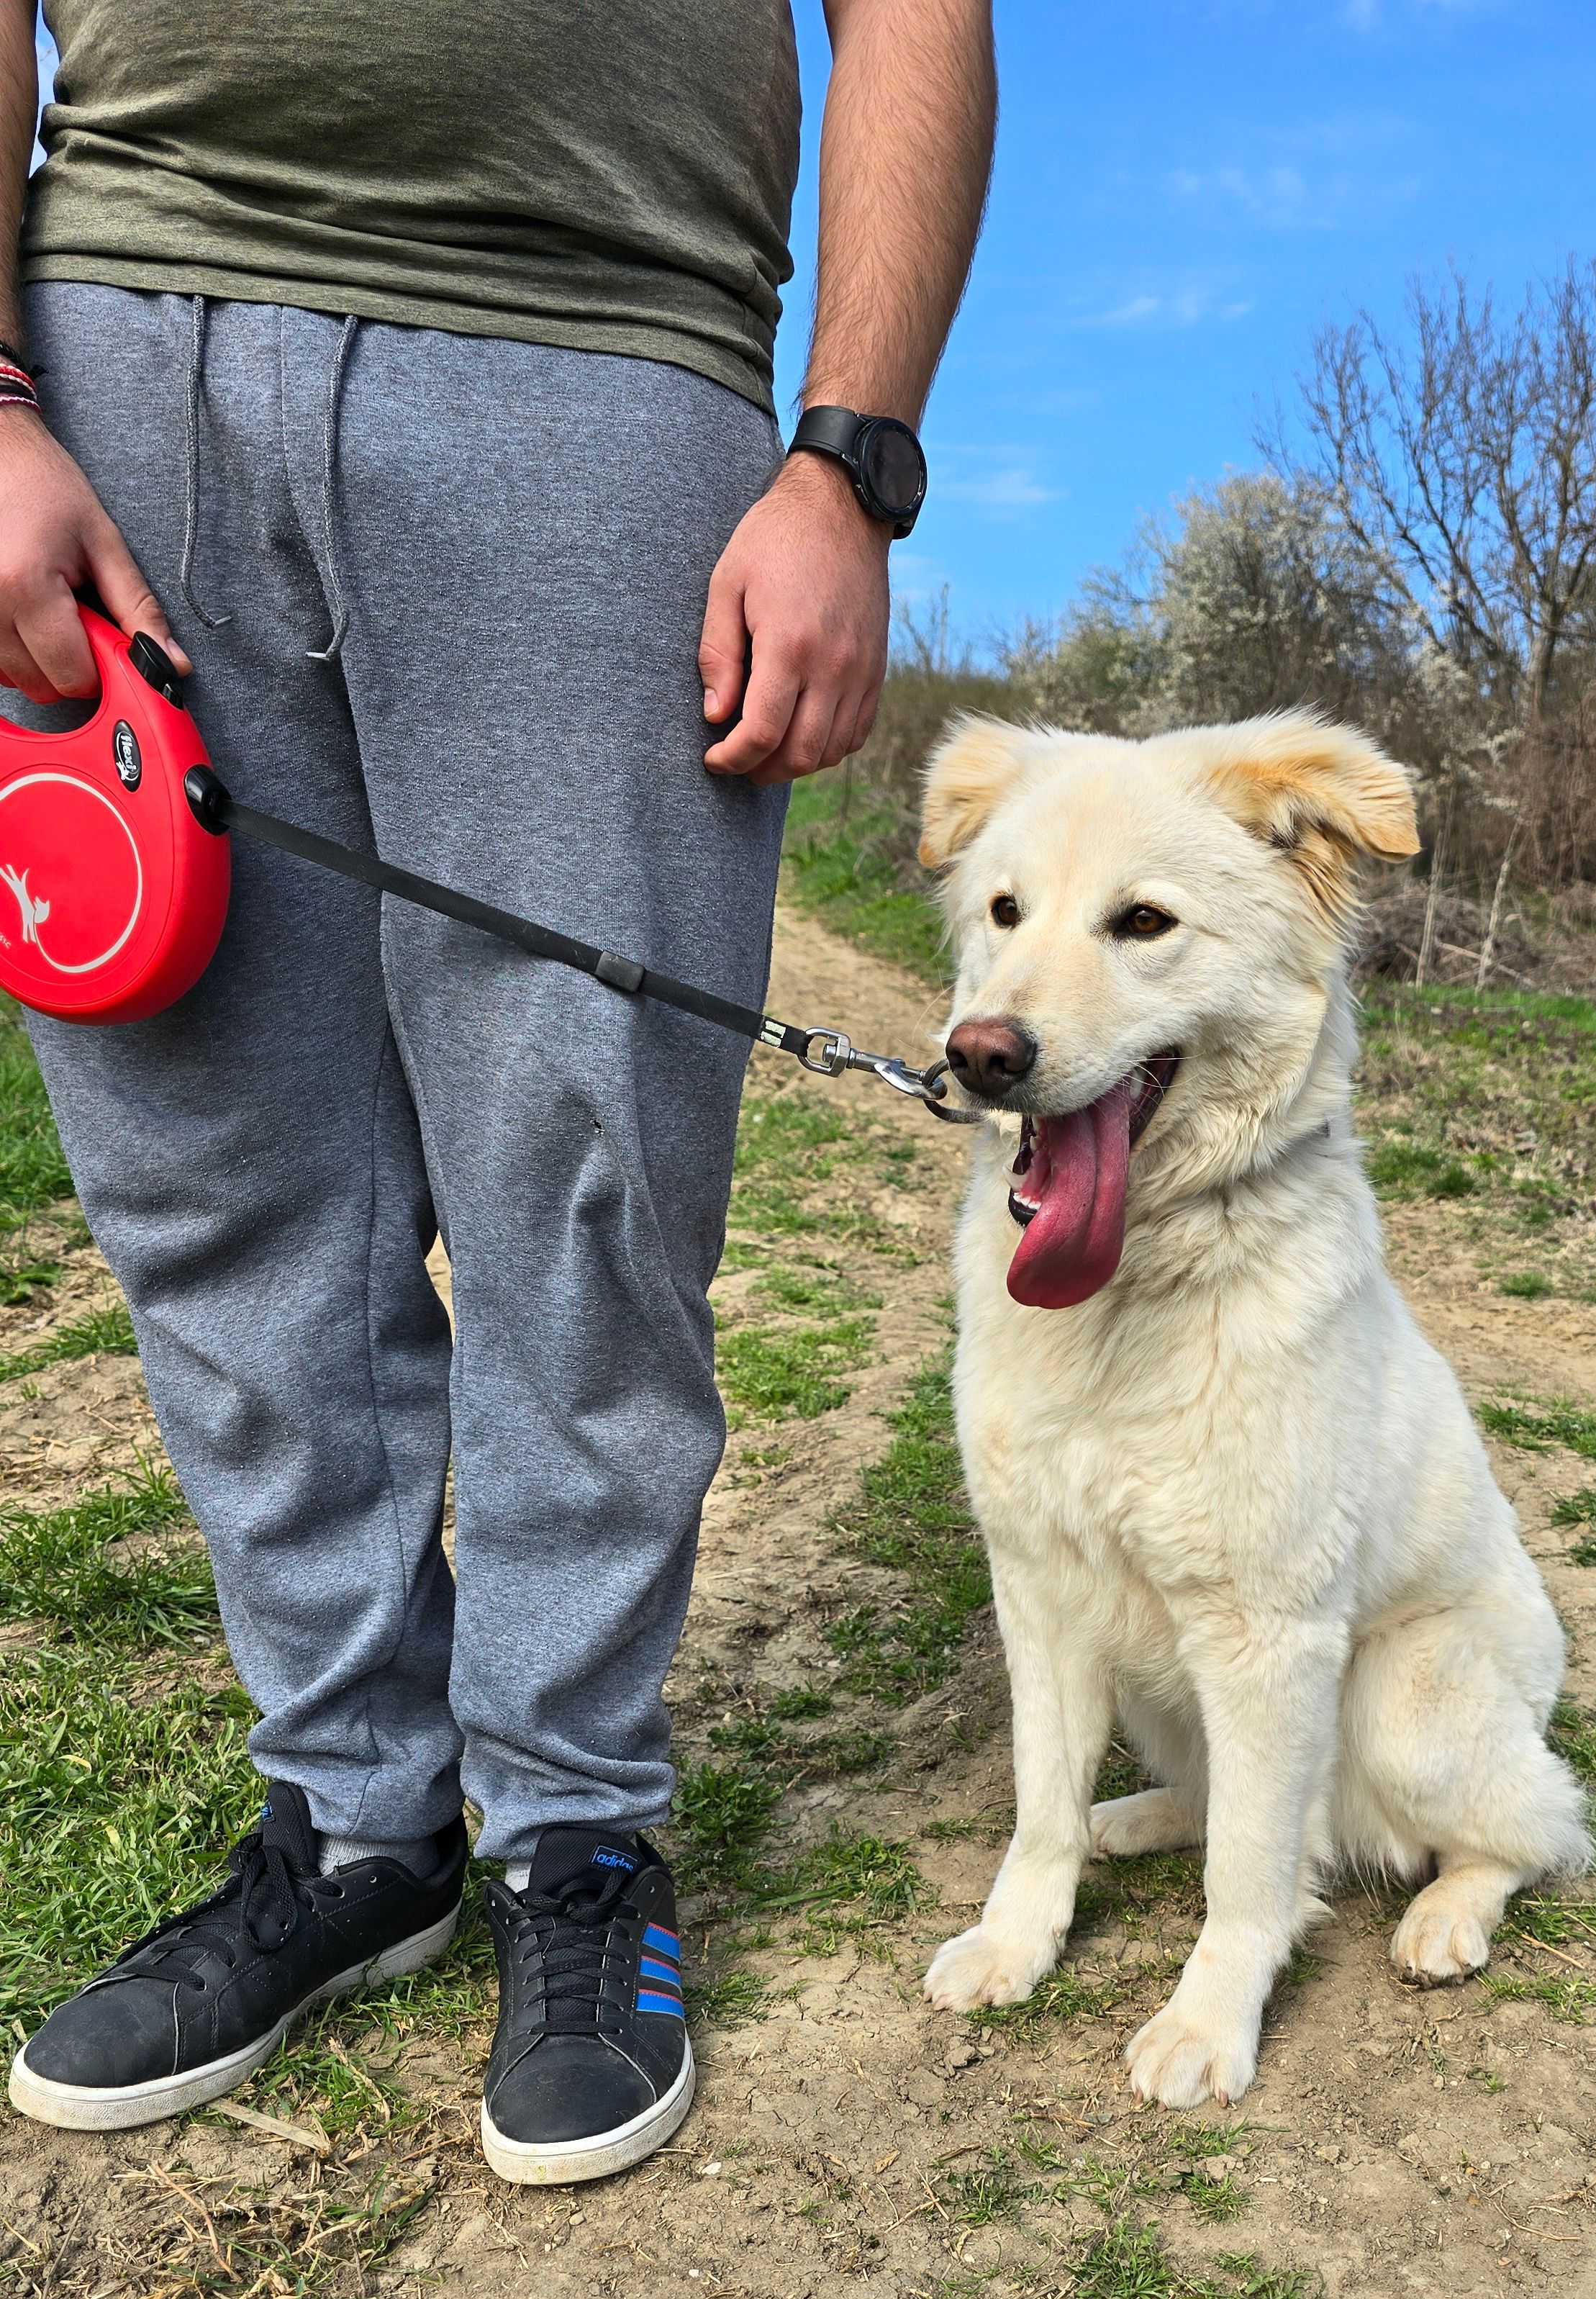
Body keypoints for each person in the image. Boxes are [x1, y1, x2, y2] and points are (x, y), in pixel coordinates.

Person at [0, 0, 997, 2184]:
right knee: (210, 1152)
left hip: (609, 365)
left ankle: (575, 1830)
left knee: (589, 1165)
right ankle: (361, 1818)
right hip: (115, 339)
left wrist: (848, 459)